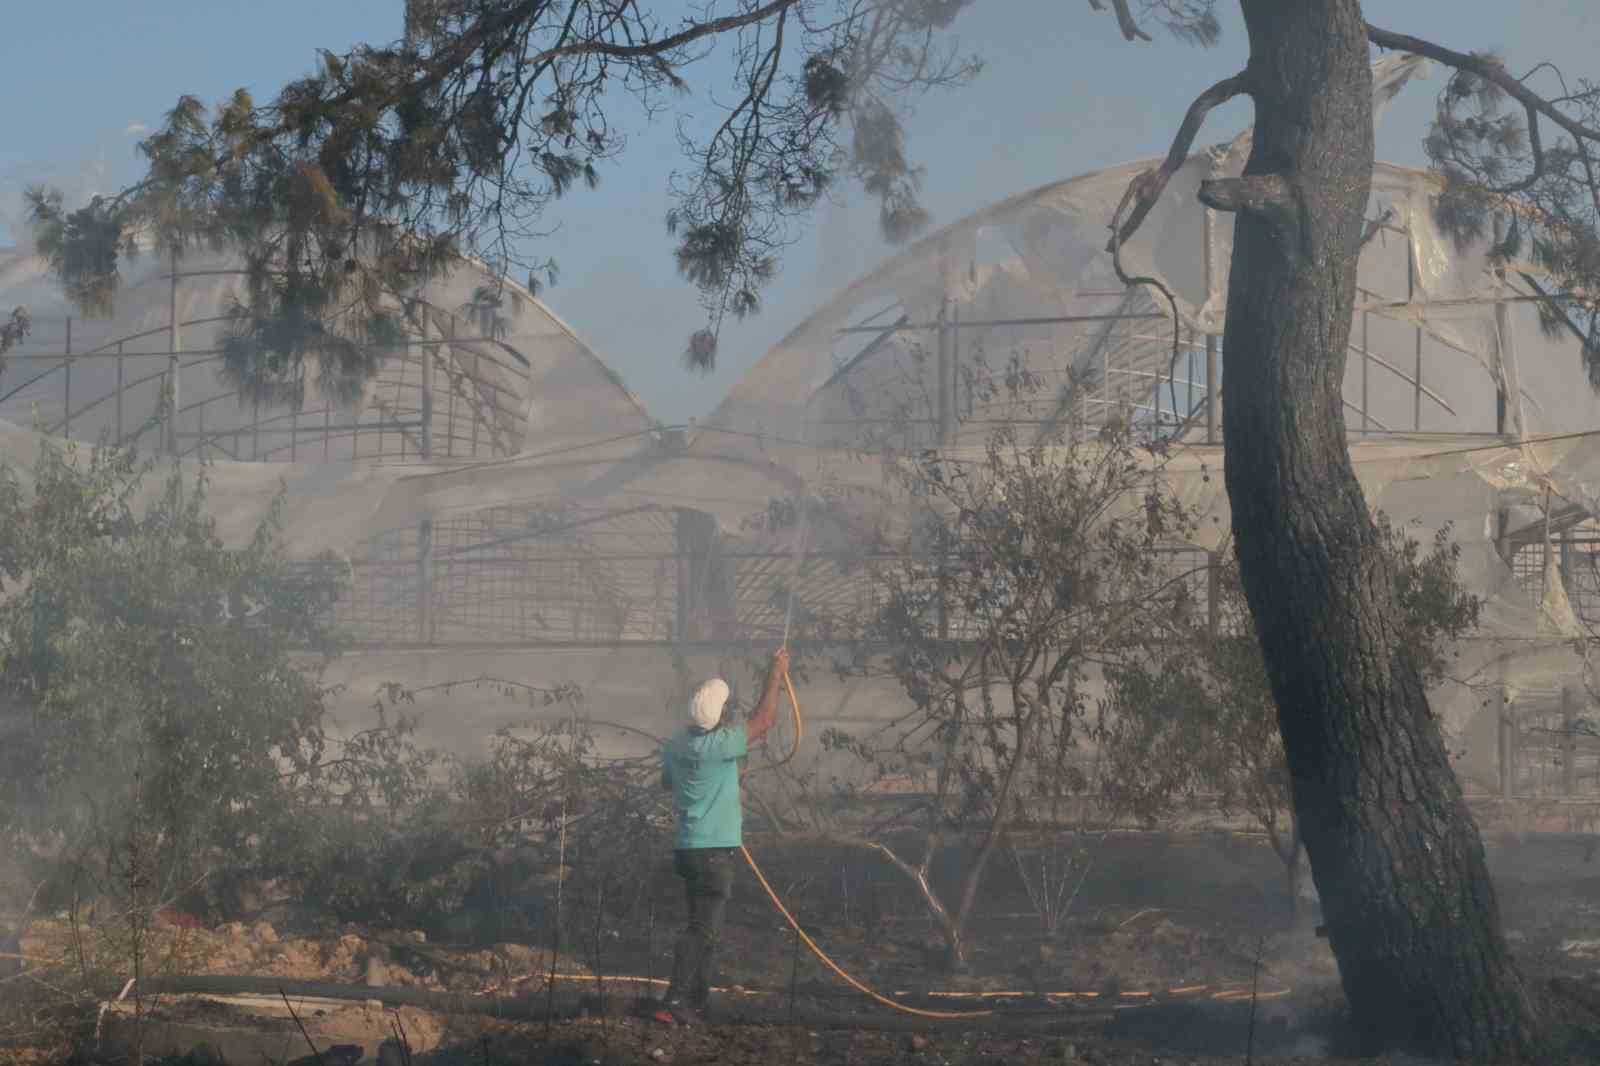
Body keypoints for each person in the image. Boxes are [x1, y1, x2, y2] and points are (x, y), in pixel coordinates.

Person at [653, 648, 789, 1026]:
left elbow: (669, 781)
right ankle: (673, 1001)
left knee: (706, 928)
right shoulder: (720, 744)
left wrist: (719, 779)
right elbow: (765, 719)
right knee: (701, 930)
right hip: (713, 853)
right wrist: (775, 672)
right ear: (717, 717)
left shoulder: (676, 744)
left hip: (688, 849)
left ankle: (697, 1002)